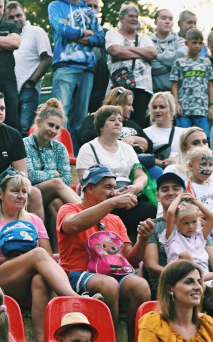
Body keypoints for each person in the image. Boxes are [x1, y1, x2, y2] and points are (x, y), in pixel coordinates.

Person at [0, 170, 77, 342]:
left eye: (24, 192)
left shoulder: (34, 220)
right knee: (38, 254)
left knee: (40, 279)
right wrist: (10, 261)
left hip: (27, 280)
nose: (21, 196)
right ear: (0, 193)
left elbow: (48, 257)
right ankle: (74, 299)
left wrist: (26, 260)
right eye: (15, 191)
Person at [57, 165, 153, 342]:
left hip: (113, 273)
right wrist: (112, 203)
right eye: (107, 187)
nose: (113, 192)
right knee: (108, 285)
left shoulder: (115, 220)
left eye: (114, 188)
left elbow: (130, 261)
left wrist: (143, 239)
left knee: (140, 285)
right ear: (89, 188)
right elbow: (72, 226)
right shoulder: (69, 208)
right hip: (77, 274)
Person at [75, 105, 158, 237]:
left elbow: (140, 175)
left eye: (120, 119)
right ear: (101, 126)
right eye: (112, 119)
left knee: (150, 210)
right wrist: (113, 195)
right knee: (115, 214)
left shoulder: (127, 148)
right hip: (101, 200)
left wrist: (134, 188)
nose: (118, 123)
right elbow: (86, 182)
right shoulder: (88, 148)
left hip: (127, 196)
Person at [49, 0, 104, 145]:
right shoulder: (56, 6)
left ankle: (77, 158)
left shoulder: (89, 12)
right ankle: (57, 153)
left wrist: (76, 34)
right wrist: (86, 33)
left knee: (80, 117)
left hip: (87, 68)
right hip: (65, 65)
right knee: (60, 113)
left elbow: (101, 38)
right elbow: (62, 29)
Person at [162, 192, 213, 306]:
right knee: (185, 254)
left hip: (204, 275)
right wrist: (179, 198)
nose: (191, 226)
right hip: (182, 274)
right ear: (176, 223)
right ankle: (207, 289)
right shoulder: (172, 236)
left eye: (194, 222)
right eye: (185, 223)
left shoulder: (199, 235)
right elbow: (171, 212)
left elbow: (212, 216)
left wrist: (195, 201)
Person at [24, 98, 80, 231]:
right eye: (50, 125)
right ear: (39, 122)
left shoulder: (60, 148)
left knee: (57, 205)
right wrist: (53, 174)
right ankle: (88, 212)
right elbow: (29, 176)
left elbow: (66, 179)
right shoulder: (24, 144)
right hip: (28, 194)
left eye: (57, 127)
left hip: (51, 195)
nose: (53, 130)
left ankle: (56, 250)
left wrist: (50, 177)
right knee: (56, 183)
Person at [106, 4, 157, 125]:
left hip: (142, 87)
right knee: (117, 119)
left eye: (136, 16)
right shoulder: (112, 35)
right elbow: (115, 51)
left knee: (139, 123)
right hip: (119, 85)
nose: (134, 19)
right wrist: (142, 53)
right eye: (130, 16)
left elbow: (152, 54)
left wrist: (127, 49)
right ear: (121, 18)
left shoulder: (144, 38)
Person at [7, 1, 52, 135]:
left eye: (18, 15)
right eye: (11, 17)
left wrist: (32, 82)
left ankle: (27, 156)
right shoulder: (6, 36)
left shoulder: (36, 31)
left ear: (25, 14)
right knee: (12, 128)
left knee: (25, 127)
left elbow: (48, 58)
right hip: (10, 90)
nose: (16, 19)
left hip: (28, 90)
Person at [78, 87, 152, 157]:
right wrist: (123, 145)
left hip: (135, 160)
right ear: (119, 104)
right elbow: (86, 138)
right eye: (129, 105)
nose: (132, 109)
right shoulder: (93, 119)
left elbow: (150, 146)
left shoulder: (132, 124)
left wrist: (134, 139)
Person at [171, 27, 213, 135]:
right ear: (186, 43)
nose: (197, 46)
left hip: (201, 109)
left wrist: (211, 106)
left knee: (203, 137)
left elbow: (210, 85)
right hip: (184, 109)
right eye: (194, 42)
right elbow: (175, 85)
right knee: (182, 137)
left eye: (200, 43)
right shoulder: (179, 63)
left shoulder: (206, 63)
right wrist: (176, 104)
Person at [150, 8, 185, 95]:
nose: (167, 21)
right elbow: (150, 65)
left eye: (170, 19)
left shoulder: (180, 41)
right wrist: (172, 65)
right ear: (155, 22)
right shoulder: (147, 42)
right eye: (163, 18)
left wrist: (156, 56)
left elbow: (182, 56)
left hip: (177, 94)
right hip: (154, 93)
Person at [143, 92, 182, 168]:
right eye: (154, 107)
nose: (157, 110)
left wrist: (178, 160)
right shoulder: (145, 133)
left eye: (162, 107)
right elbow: (141, 157)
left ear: (171, 109)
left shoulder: (183, 133)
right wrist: (162, 163)